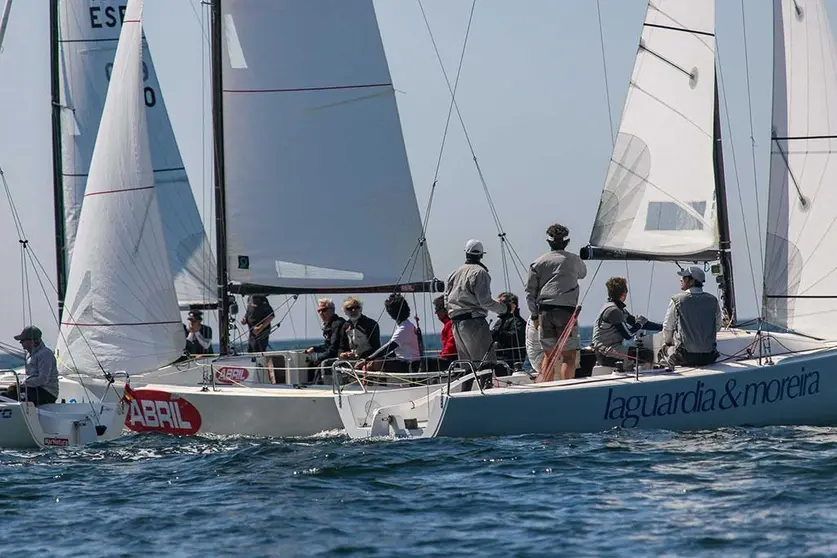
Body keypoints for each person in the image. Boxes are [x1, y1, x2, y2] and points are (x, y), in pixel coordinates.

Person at [525, 223, 587, 381]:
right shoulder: (573, 260)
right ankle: (567, 389)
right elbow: (583, 274)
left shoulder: (538, 263)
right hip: (565, 311)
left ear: (548, 242)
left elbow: (529, 293)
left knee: (549, 356)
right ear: (566, 242)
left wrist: (534, 316)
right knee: (568, 356)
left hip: (544, 312)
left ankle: (547, 388)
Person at [444, 239, 508, 363]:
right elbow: (485, 301)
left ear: (466, 253)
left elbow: (446, 299)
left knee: (467, 367)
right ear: (481, 255)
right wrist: (504, 308)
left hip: (456, 325)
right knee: (486, 364)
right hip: (474, 322)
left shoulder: (454, 274)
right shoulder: (480, 273)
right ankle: (486, 383)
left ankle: (467, 383)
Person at [592, 277, 662, 366]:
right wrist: (639, 324)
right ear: (624, 294)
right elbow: (628, 335)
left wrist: (662, 327)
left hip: (607, 349)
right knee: (646, 354)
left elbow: (634, 322)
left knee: (640, 351)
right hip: (605, 352)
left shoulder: (617, 309)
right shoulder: (613, 311)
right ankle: (643, 377)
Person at [661, 266, 723, 367]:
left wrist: (668, 344)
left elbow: (667, 327)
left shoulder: (677, 300)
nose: (681, 280)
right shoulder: (713, 300)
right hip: (709, 356)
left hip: (685, 356)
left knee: (663, 351)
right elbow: (718, 326)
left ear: (691, 281)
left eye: (684, 278)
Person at [356, 294, 421, 373]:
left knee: (373, 364)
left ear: (391, 314)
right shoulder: (408, 325)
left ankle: (370, 384)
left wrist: (367, 359)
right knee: (377, 361)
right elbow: (395, 350)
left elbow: (388, 348)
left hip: (409, 365)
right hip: (409, 362)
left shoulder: (403, 329)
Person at [0, 326, 59, 406]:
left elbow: (43, 379)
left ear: (33, 341)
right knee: (4, 394)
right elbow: (30, 376)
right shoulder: (29, 354)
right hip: (34, 389)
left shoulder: (45, 354)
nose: (20, 342)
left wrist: (22, 384)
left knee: (9, 396)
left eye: (23, 340)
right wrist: (20, 385)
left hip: (46, 392)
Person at [305, 298, 347, 377]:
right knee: (312, 364)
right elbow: (328, 346)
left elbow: (333, 349)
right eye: (319, 311)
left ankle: (315, 386)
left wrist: (319, 359)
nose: (321, 313)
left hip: (340, 357)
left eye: (324, 310)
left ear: (332, 310)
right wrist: (314, 348)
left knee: (315, 365)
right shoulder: (330, 325)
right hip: (335, 355)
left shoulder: (337, 324)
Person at [491, 292, 527, 370]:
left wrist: (498, 334)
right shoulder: (500, 321)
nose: (498, 307)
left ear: (512, 305)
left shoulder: (517, 321)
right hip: (499, 360)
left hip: (510, 362)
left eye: (501, 304)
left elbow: (516, 338)